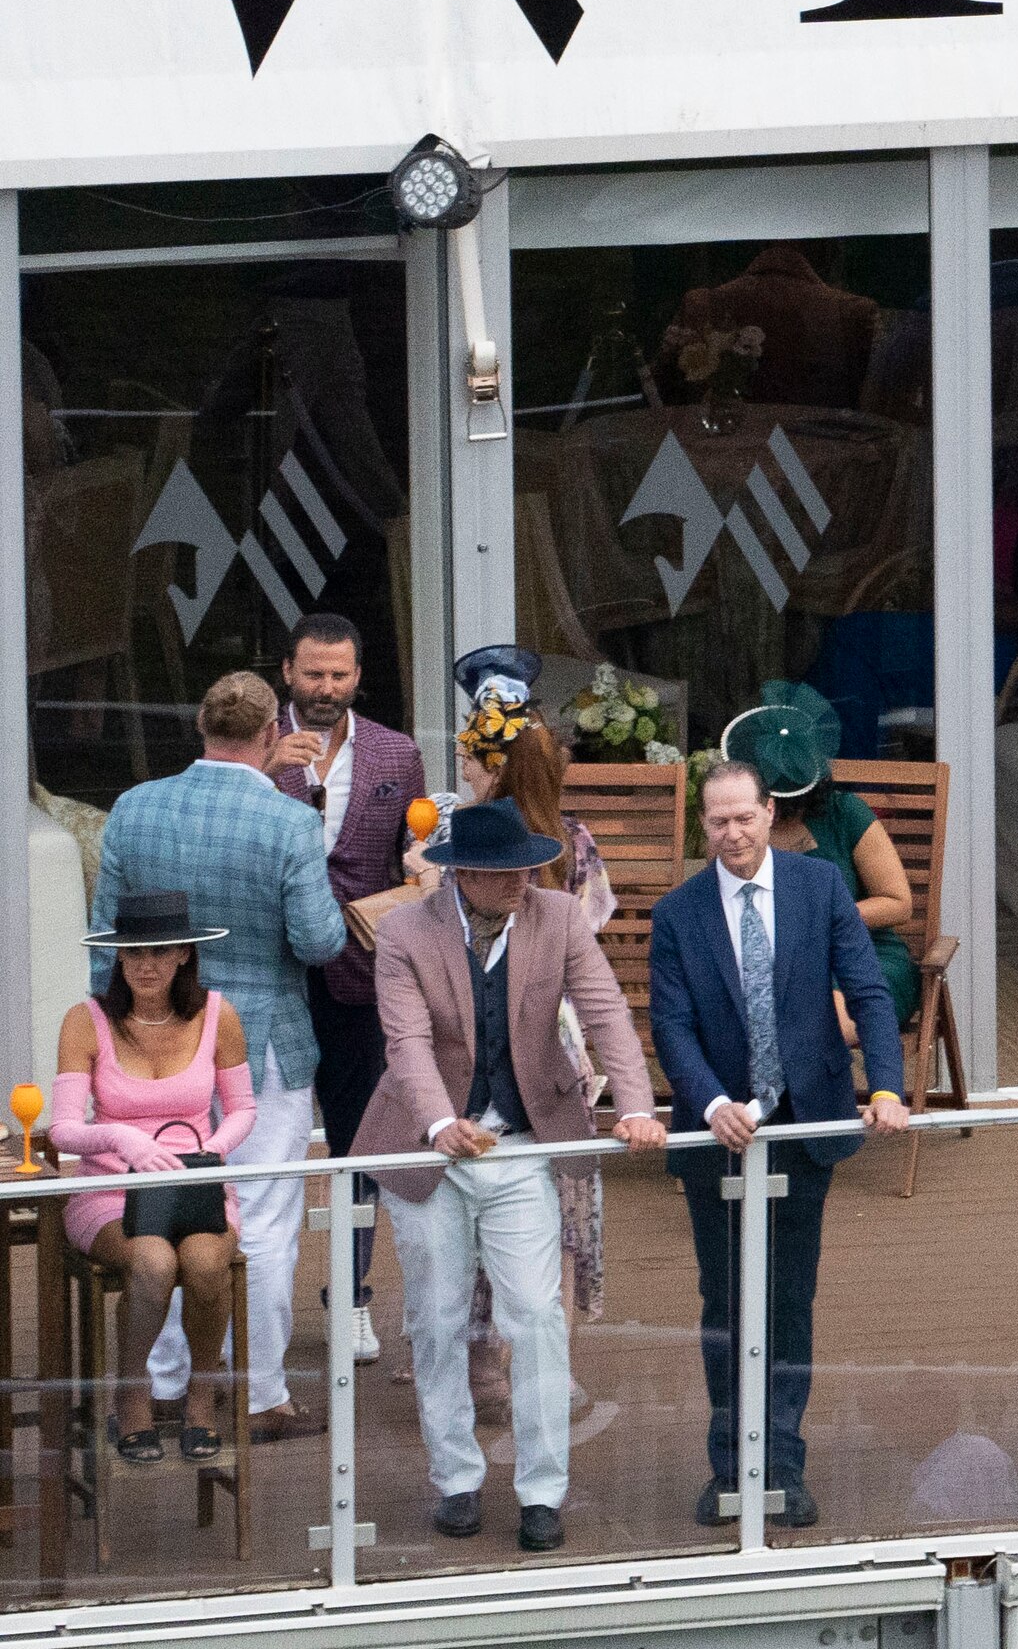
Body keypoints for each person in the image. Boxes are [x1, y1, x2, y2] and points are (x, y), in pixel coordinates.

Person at [359, 795, 662, 1551]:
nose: (521, 880)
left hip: (522, 1140)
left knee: (533, 1312)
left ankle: (541, 1491)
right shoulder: (403, 931)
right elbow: (407, 1042)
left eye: (528, 867)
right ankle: (455, 1479)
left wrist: (636, 1107)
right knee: (435, 1317)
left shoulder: (558, 917)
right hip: (427, 1146)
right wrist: (438, 1123)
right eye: (503, 872)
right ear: (459, 873)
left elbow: (606, 1015)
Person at [646, 742, 913, 1529]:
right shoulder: (678, 913)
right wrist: (710, 1101)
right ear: (704, 826)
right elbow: (672, 1025)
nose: (732, 834)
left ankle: (783, 1466)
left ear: (770, 815)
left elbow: (866, 989)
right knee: (725, 1299)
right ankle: (732, 1468)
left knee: (789, 1300)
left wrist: (889, 1086)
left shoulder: (820, 885)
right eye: (717, 820)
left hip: (805, 1120)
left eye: (744, 817)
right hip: (718, 1135)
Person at [92, 669, 345, 1444]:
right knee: (261, 1219)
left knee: (159, 1214)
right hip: (259, 1039)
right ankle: (261, 1392)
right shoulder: (289, 821)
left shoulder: (135, 808)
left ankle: (167, 1385)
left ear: (200, 729)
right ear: (271, 736)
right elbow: (319, 941)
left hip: (154, 1036)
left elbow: (106, 935)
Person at [450, 652, 626, 1325]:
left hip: (485, 1036)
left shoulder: (465, 839)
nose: (462, 766)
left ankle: (479, 1348)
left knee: (475, 1190)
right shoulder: (572, 838)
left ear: (494, 764)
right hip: (560, 1040)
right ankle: (536, 1338)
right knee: (552, 1202)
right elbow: (593, 926)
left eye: (470, 754)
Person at [50, 892, 251, 1466]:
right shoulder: (85, 1020)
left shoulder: (218, 1014)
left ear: (184, 955)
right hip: (111, 1188)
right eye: (131, 953)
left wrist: (209, 1152)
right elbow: (64, 1129)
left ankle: (202, 1396)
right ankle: (132, 1393)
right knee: (154, 1261)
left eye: (158, 952)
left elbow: (243, 1109)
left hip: (194, 1182)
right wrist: (119, 1137)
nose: (143, 965)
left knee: (207, 1262)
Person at [268, 608, 420, 1366]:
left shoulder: (397, 754)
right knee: (271, 1141)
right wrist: (265, 772)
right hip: (274, 977)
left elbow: (410, 861)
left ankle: (352, 1296)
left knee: (361, 1140)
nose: (325, 688)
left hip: (360, 978)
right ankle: (255, 1298)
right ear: (287, 674)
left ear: (358, 677)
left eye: (339, 675)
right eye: (312, 674)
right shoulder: (256, 746)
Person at [745, 680, 926, 1036]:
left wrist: (820, 918)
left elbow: (898, 904)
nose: (773, 810)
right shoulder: (741, 827)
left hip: (862, 955)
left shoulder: (845, 814)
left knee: (820, 1017)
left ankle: (813, 1091)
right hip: (772, 962)